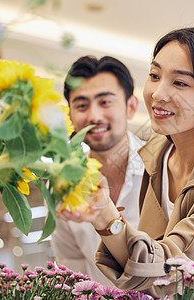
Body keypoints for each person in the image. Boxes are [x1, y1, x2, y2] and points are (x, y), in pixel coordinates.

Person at [57, 26, 194, 297]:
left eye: (180, 83)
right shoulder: (157, 156)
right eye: (154, 76)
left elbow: (171, 273)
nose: (158, 93)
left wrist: (105, 215)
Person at [51, 56, 145, 286]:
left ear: (131, 106)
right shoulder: (62, 182)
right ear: (70, 115)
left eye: (105, 102)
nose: (93, 116)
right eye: (82, 105)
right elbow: (71, 267)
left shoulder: (164, 167)